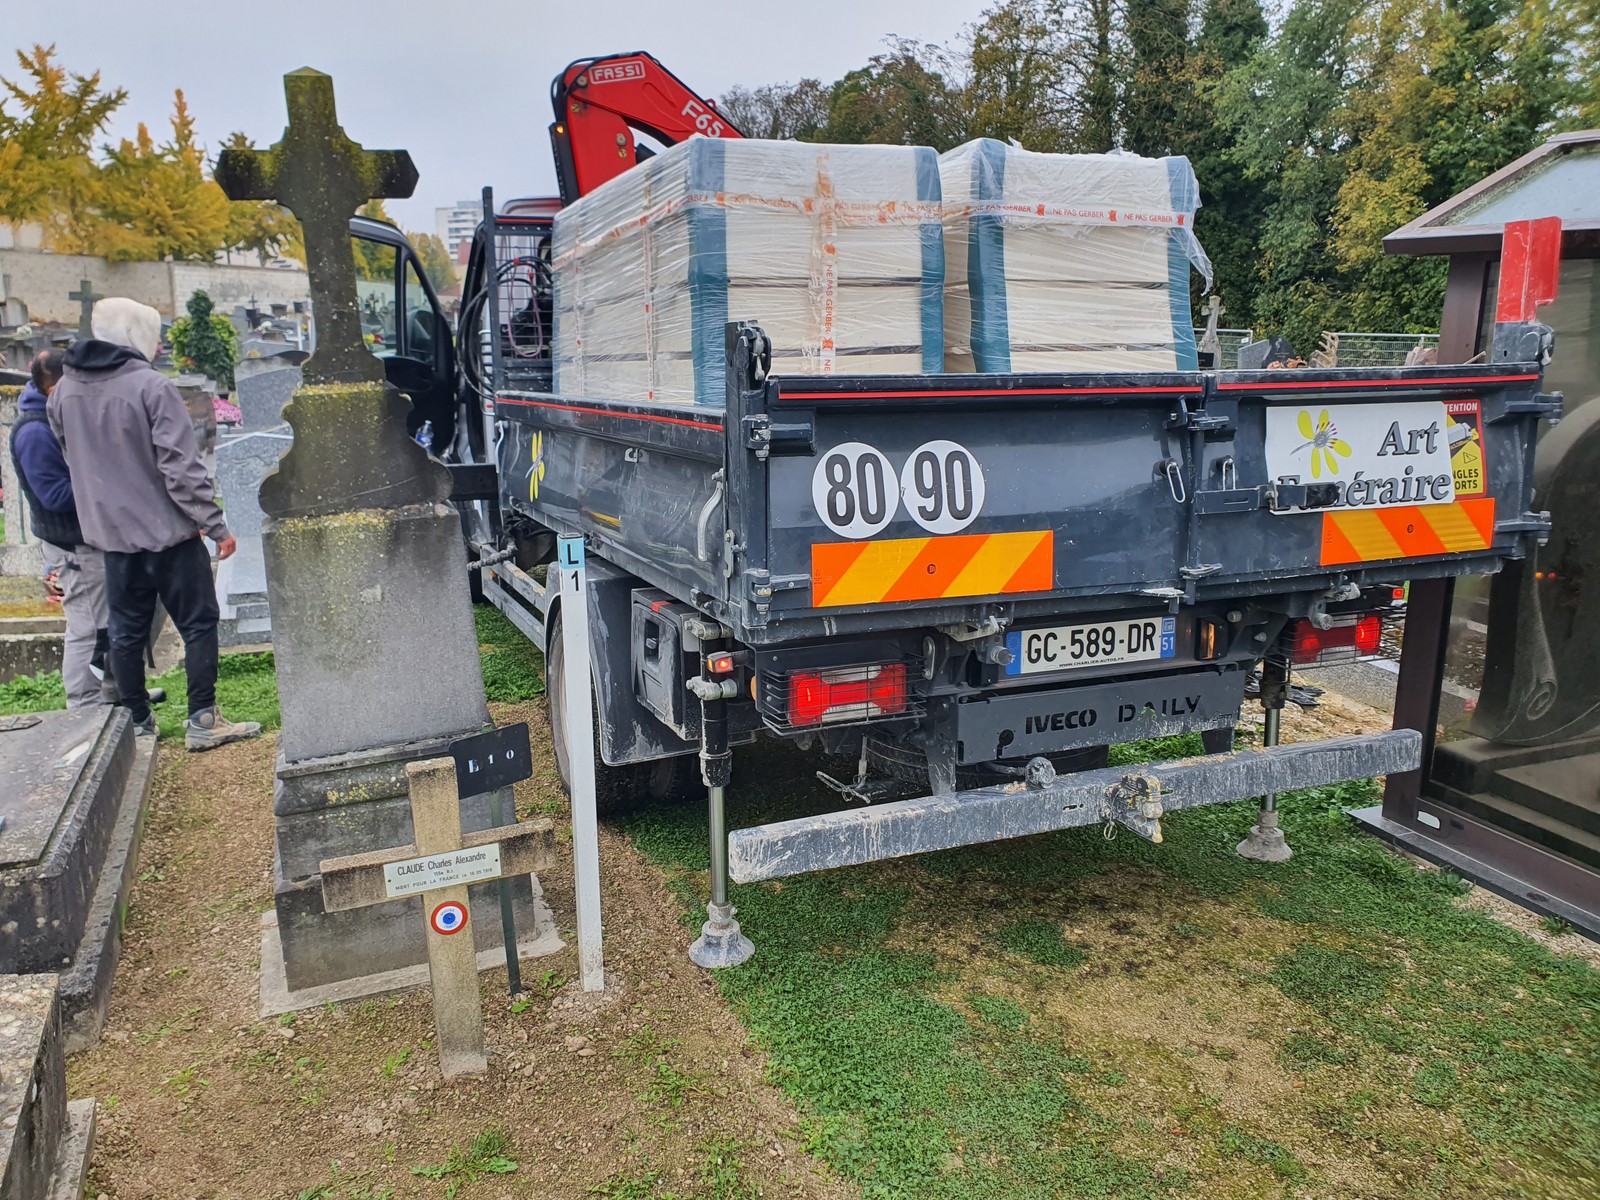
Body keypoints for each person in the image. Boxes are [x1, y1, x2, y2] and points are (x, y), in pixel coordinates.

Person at [48, 298, 260, 751]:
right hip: (168, 532)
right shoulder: (150, 386)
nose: (158, 342)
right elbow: (180, 469)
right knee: (198, 623)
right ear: (134, 334)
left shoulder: (64, 391)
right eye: (153, 332)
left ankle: (138, 723)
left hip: (113, 537)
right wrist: (215, 525)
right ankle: (203, 718)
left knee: (125, 632)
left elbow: (73, 459)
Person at [8, 349, 109, 707]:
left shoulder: (56, 414)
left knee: (105, 622)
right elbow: (54, 495)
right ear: (55, 387)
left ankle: (114, 692)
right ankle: (84, 705)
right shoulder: (35, 430)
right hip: (72, 543)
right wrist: (109, 484)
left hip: (86, 537)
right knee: (87, 625)